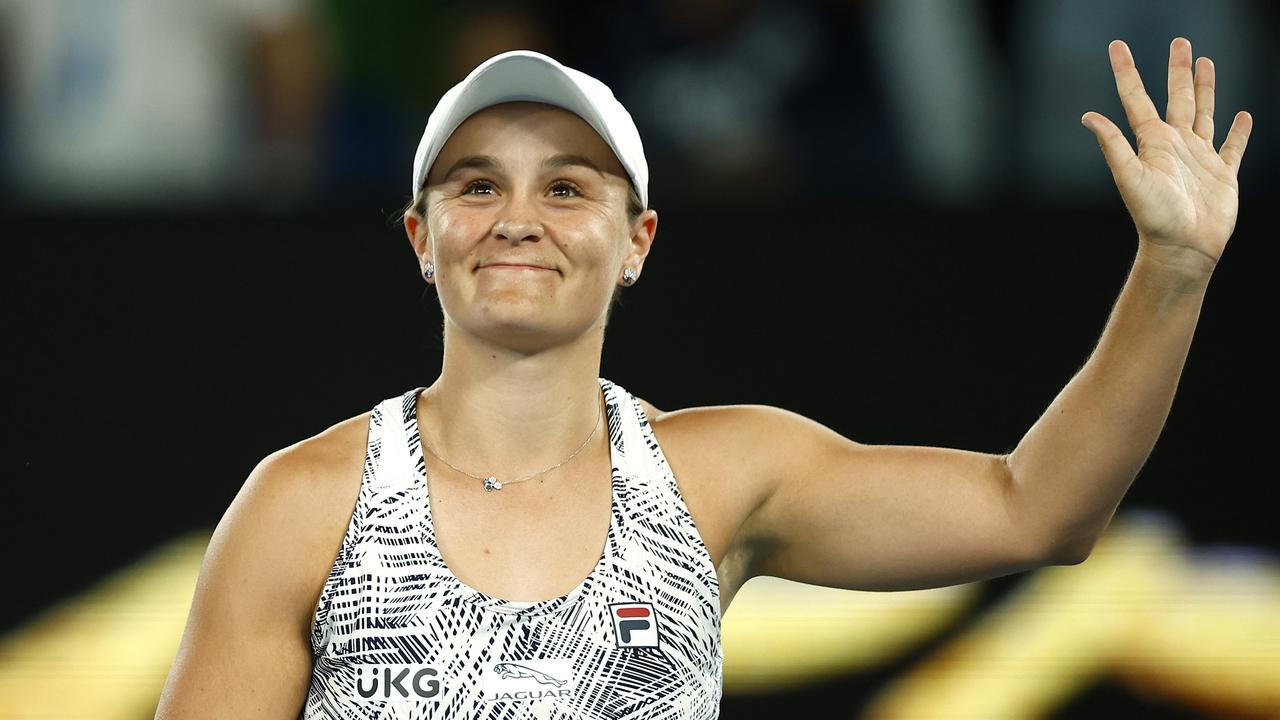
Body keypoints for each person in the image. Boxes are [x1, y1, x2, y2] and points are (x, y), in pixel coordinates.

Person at [154, 38, 1252, 718]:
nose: (520, 220)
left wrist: (1172, 268)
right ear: (419, 236)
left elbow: (1037, 511)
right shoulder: (304, 503)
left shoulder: (721, 478)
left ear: (636, 240)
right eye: (476, 186)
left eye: (569, 188)